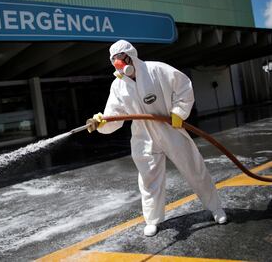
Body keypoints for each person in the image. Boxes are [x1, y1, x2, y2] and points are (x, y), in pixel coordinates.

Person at [86, 39, 227, 237]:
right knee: (148, 179)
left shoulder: (157, 70)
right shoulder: (118, 86)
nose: (119, 63)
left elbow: (184, 86)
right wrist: (101, 122)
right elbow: (114, 118)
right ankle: (153, 220)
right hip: (143, 136)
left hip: (170, 128)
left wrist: (179, 111)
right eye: (114, 60)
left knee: (194, 169)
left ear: (131, 56)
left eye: (121, 58)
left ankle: (215, 208)